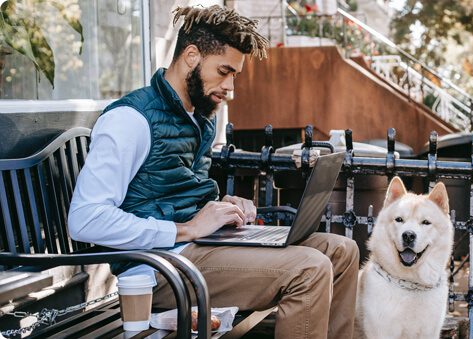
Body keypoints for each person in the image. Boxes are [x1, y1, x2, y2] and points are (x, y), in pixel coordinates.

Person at [68, 5, 358, 339]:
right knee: (310, 269)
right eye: (224, 71)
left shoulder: (200, 117)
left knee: (342, 251)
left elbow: (177, 192)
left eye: (234, 74)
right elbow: (85, 219)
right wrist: (187, 228)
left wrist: (224, 207)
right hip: (159, 272)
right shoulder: (130, 120)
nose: (230, 87)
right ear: (191, 56)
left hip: (201, 249)